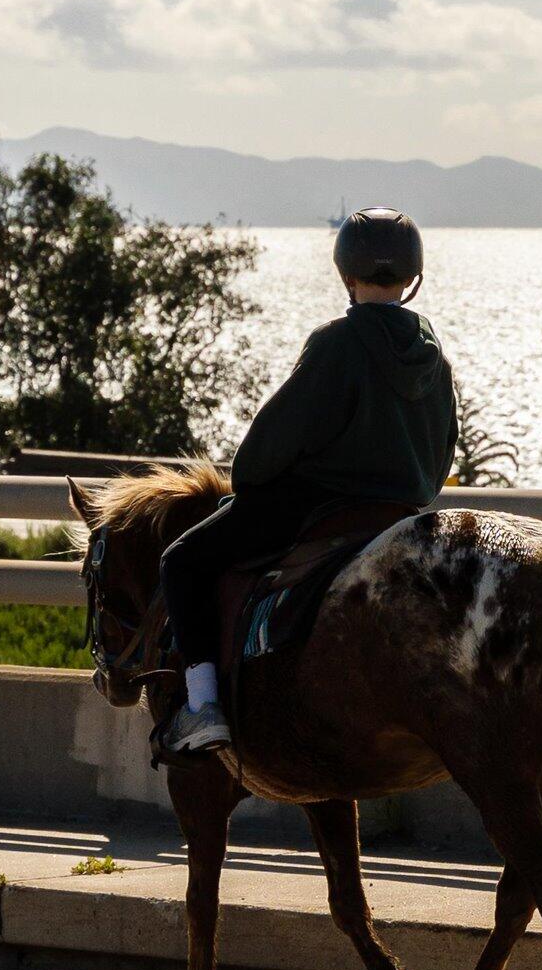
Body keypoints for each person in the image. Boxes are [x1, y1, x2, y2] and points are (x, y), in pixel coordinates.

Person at [155, 206, 458, 754]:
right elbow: (440, 460)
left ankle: (202, 707)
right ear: (413, 278)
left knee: (181, 560)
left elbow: (271, 443)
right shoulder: (434, 356)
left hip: (315, 508)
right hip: (399, 515)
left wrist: (248, 479)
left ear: (346, 273)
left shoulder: (336, 344)